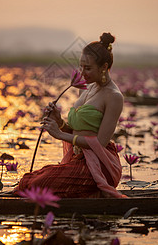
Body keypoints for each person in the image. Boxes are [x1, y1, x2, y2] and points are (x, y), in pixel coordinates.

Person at [15, 32, 126, 198]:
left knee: (37, 185)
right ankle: (87, 192)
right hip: (79, 160)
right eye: (81, 67)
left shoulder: (114, 96)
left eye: (88, 68)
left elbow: (100, 142)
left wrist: (60, 135)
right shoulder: (88, 88)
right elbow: (77, 132)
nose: (82, 73)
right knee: (27, 180)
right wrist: (59, 121)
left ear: (104, 67)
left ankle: (95, 190)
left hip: (99, 166)